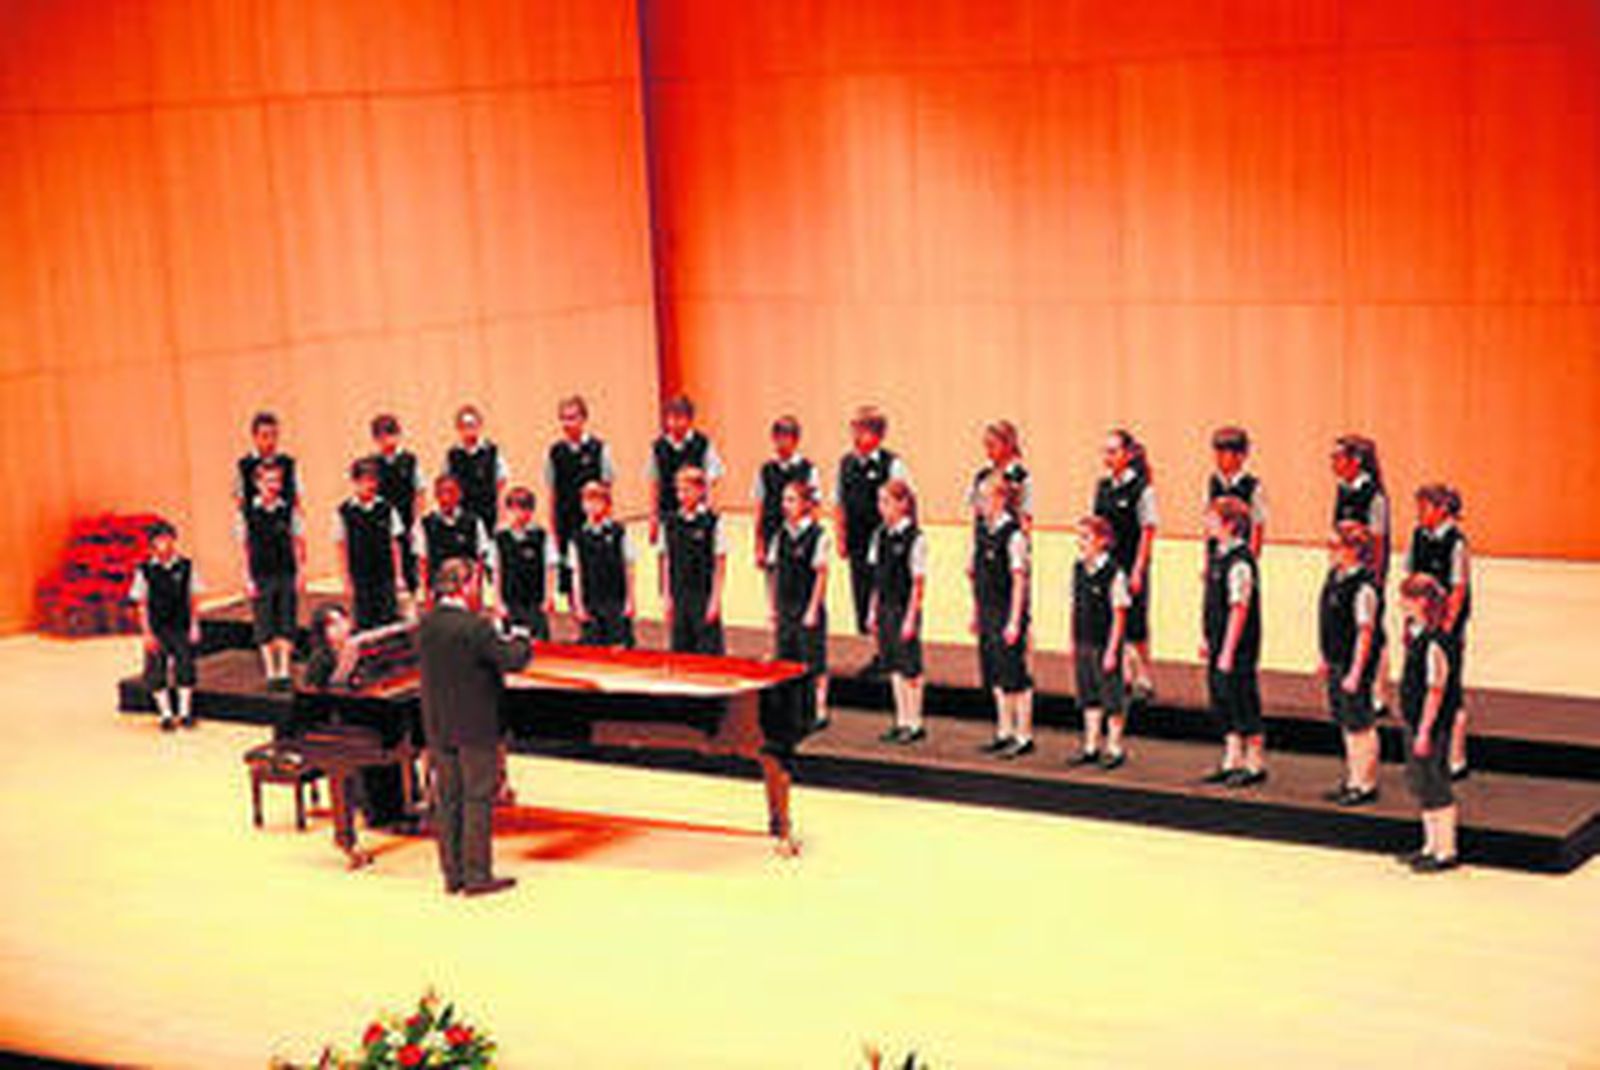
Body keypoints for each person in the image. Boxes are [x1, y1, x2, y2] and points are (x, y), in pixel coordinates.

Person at [418, 559, 532, 896]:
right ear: (465, 586)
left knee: (448, 799)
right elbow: (514, 659)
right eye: (477, 583)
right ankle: (478, 876)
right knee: (477, 799)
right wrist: (520, 637)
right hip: (475, 726)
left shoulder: (425, 623)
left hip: (439, 725)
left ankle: (453, 875)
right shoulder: (476, 627)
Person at [1396, 573, 1463, 874]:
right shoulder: (1418, 633)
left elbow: (1436, 689)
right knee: (1421, 783)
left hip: (1431, 726)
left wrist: (1424, 730)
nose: (1400, 604)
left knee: (1436, 784)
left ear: (1422, 602)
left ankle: (1445, 849)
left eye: (1406, 599)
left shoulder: (1436, 642)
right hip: (1415, 720)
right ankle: (1429, 845)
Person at [1199, 497, 1266, 787]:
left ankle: (1255, 763)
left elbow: (1239, 608)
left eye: (1211, 518)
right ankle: (1232, 759)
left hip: (1237, 644)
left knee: (1242, 697)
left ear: (1229, 524)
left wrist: (1228, 649)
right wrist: (1206, 638)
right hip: (1217, 639)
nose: (1206, 523)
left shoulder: (1240, 561)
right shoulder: (1218, 554)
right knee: (1221, 698)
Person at [1408, 484, 1472, 781]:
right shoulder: (1418, 536)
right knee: (1426, 683)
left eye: (1425, 507)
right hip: (1422, 621)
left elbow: (1458, 587)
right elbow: (1411, 577)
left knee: (1450, 689)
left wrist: (1447, 626)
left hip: (1444, 624)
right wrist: (1411, 622)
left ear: (1443, 509)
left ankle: (1456, 758)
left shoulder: (1456, 543)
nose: (1419, 513)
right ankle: (1433, 743)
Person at [1318, 522, 1384, 806]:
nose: (1330, 552)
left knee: (1360, 725)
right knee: (1346, 723)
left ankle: (1365, 783)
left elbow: (1365, 632)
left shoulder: (1364, 587)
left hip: (1353, 665)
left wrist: (1357, 671)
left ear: (1355, 550)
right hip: (1336, 660)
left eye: (1335, 547)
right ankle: (1352, 778)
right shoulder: (1335, 576)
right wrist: (1324, 656)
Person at [836, 405, 913, 644]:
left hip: (885, 543)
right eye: (854, 430)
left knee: (885, 597)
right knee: (861, 593)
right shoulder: (846, 463)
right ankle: (867, 645)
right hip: (857, 542)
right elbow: (839, 502)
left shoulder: (892, 464)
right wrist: (840, 536)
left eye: (861, 431)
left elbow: (906, 502)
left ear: (877, 435)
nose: (856, 436)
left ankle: (890, 650)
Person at [970, 472, 1034, 759]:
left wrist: (1014, 620)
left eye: (982, 498)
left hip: (1007, 612)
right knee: (995, 674)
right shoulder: (983, 531)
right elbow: (976, 576)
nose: (978, 503)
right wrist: (975, 612)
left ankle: (1024, 735)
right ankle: (1004, 730)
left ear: (999, 499)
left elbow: (1020, 580)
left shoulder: (1014, 535)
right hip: (987, 612)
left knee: (1015, 677)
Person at [1093, 428, 1157, 702]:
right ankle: (1127, 676)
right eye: (1105, 451)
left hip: (1131, 563)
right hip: (1109, 563)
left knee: (1136, 625)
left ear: (1128, 454)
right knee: (1110, 621)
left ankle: (1145, 676)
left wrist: (1139, 569)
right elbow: (1097, 526)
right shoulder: (1103, 486)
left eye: (1113, 451)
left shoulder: (1142, 489)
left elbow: (1148, 530)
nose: (1108, 457)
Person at [1332, 434, 1392, 712]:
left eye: (1338, 457)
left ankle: (1379, 690)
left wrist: (1376, 578)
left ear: (1356, 461)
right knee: (1346, 626)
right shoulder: (1343, 489)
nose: (1333, 463)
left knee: (1373, 630)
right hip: (1346, 569)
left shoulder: (1374, 496)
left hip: (1366, 572)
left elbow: (1378, 540)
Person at [1067, 516, 1132, 769]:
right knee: (1088, 696)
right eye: (1079, 537)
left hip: (1105, 643)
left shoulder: (1114, 573)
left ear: (1103, 541)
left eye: (1086, 537)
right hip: (1084, 640)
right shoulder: (1078, 569)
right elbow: (1075, 606)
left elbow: (1119, 615)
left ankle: (1114, 747)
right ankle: (1091, 745)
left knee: (1112, 697)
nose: (1080, 542)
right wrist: (1072, 640)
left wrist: (1113, 650)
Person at [767, 478, 831, 729]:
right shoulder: (780, 535)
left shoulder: (818, 535)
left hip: (807, 606)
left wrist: (814, 608)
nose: (786, 504)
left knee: (813, 659)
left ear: (805, 504)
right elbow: (773, 573)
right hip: (786, 605)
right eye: (784, 499)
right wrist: (772, 607)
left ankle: (819, 709)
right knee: (786, 657)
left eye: (791, 499)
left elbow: (822, 574)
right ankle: (790, 709)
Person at [868, 478, 928, 744]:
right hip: (885, 607)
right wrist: (872, 611)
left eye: (887, 501)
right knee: (893, 664)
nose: (881, 507)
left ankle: (915, 723)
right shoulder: (880, 535)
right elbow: (877, 580)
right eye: (880, 501)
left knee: (910, 667)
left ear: (903, 504)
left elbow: (918, 584)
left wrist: (911, 618)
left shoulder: (915, 538)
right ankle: (901, 720)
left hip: (905, 608)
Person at [236, 458, 305, 690]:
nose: (273, 485)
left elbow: (298, 542)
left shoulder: (288, 510)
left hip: (286, 572)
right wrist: (246, 577)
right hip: (260, 574)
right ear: (257, 483)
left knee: (286, 620)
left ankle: (284, 671)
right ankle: (271, 672)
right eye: (268, 481)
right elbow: (244, 547)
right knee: (264, 623)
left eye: (277, 480)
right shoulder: (246, 512)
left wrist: (301, 572)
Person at [129, 520, 202, 731]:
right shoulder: (144, 570)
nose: (165, 544)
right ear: (151, 545)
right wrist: (147, 634)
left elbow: (193, 598)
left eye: (168, 538)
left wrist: (194, 625)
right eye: (159, 540)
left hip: (181, 624)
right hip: (157, 627)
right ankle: (166, 714)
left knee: (185, 666)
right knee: (156, 670)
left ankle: (185, 712)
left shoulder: (186, 566)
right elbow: (141, 604)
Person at [544, 395, 614, 603]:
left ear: (584, 418)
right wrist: (552, 527)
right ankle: (579, 625)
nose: (567, 423)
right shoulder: (554, 452)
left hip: (593, 521)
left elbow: (608, 488)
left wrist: (607, 521)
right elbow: (551, 492)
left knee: (597, 574)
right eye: (563, 418)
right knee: (570, 577)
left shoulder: (599, 449)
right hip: (566, 522)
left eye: (572, 418)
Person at [662, 467, 727, 655]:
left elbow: (720, 564)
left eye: (687, 490)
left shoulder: (712, 522)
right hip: (679, 594)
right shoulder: (670, 522)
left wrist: (715, 599)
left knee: (707, 651)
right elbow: (666, 561)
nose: (681, 495)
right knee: (681, 651)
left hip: (703, 595)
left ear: (701, 491)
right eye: (678, 490)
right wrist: (666, 596)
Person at [335, 458, 406, 630]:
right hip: (360, 576)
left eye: (373, 480)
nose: (370, 485)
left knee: (387, 621)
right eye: (365, 480)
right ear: (355, 482)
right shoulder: (344, 511)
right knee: (364, 622)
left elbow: (395, 544)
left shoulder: (387, 509)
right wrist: (345, 578)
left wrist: (398, 576)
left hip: (385, 575)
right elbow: (341, 546)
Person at [646, 394, 723, 549]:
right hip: (669, 512)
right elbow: (654, 482)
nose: (674, 423)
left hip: (697, 513)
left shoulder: (703, 444)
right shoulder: (658, 447)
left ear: (689, 419)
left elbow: (713, 477)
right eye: (670, 418)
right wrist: (653, 517)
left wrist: (709, 507)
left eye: (679, 418)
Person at [569, 480, 637, 648]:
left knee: (619, 648)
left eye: (597, 501)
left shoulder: (619, 532)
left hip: (616, 601)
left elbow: (629, 567)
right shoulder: (578, 537)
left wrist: (630, 600)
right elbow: (576, 572)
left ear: (607, 504)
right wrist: (578, 605)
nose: (592, 506)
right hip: (591, 601)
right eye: (587, 501)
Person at [751, 415, 821, 572]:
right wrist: (759, 545)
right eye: (777, 437)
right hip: (772, 535)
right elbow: (759, 508)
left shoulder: (808, 469)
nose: (780, 442)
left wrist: (814, 540)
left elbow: (815, 508)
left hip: (801, 540)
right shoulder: (765, 470)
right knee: (774, 592)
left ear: (795, 440)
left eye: (785, 437)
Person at [369, 413, 425, 596]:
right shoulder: (372, 464)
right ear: (375, 438)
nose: (387, 439)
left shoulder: (410, 460)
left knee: (408, 562)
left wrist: (417, 520)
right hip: (380, 521)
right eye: (382, 435)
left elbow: (419, 491)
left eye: (391, 433)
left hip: (406, 518)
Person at [415, 474, 492, 605]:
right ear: (436, 495)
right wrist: (427, 595)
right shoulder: (425, 524)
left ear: (459, 494)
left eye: (451, 492)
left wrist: (475, 589)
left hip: (467, 587)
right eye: (441, 493)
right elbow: (423, 562)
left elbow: (480, 558)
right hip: (439, 586)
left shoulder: (474, 522)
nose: (446, 498)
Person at [494, 487, 558, 639]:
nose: (519, 514)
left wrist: (549, 597)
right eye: (514, 509)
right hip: (510, 603)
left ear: (531, 511)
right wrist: (498, 602)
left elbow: (550, 567)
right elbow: (497, 570)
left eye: (524, 509)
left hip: (534, 603)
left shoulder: (542, 536)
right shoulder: (500, 538)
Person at [444, 404, 508, 535]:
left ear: (479, 425)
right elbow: (447, 484)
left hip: (488, 513)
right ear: (458, 428)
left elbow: (501, 483)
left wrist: (501, 515)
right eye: (464, 425)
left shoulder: (492, 451)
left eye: (472, 424)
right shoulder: (452, 454)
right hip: (462, 514)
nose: (468, 429)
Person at [1206, 426, 1265, 561]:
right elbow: (1208, 525)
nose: (1218, 458)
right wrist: (1207, 560)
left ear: (1240, 456)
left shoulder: (1252, 486)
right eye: (1216, 453)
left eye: (1223, 453)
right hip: (1217, 555)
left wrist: (1252, 560)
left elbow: (1257, 526)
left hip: (1240, 556)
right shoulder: (1213, 482)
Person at [967, 420, 1032, 528]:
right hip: (984, 539)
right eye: (986, 446)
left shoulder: (1020, 476)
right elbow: (976, 513)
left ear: (1008, 445)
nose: (988, 451)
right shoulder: (982, 476)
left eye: (992, 446)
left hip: (1009, 538)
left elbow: (1026, 517)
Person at [234, 410, 299, 513]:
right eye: (265, 436)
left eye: (274, 435)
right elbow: (240, 503)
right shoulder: (245, 466)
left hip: (282, 526)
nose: (270, 441)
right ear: (255, 437)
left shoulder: (288, 464)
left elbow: (295, 502)